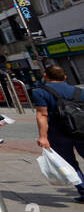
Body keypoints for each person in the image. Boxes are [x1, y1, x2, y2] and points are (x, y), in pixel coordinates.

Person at [30, 66, 84, 202]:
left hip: (59, 133)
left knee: (70, 164)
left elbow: (42, 114)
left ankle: (83, 190)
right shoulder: (79, 91)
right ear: (65, 77)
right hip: (82, 131)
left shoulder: (40, 92)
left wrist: (43, 137)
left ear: (45, 76)